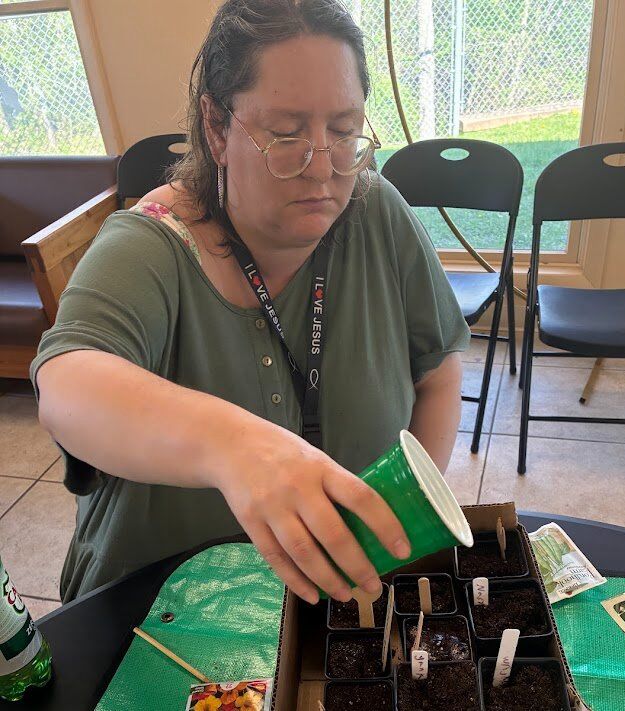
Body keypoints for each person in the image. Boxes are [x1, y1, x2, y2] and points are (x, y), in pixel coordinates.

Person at [31, 0, 469, 605]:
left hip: (332, 602)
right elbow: (67, 384)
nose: (322, 168)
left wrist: (403, 526)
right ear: (216, 127)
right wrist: (235, 448)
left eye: (344, 131)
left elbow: (438, 372)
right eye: (286, 133)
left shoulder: (376, 212)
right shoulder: (151, 244)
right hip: (158, 616)